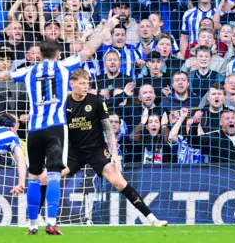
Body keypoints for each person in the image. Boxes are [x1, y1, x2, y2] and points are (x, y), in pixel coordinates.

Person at [0, 22, 110, 235]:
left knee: (34, 177)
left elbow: (5, 76)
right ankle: (50, 221)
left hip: (35, 130)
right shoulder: (64, 66)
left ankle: (32, 225)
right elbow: (88, 50)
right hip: (56, 129)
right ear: (58, 54)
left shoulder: (29, 70)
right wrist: (105, 30)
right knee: (54, 176)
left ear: (39, 55)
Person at [62, 69, 168, 227]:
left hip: (96, 150)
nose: (86, 87)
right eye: (82, 83)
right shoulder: (64, 103)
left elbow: (108, 129)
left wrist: (115, 156)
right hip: (73, 151)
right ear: (72, 84)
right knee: (51, 178)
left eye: (87, 83)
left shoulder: (96, 101)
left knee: (120, 182)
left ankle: (153, 219)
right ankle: (34, 220)